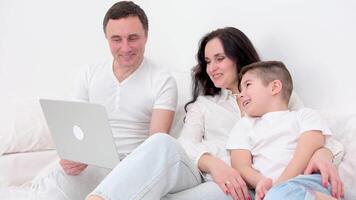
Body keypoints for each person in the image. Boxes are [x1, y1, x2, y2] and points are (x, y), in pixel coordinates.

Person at [86, 27, 343, 200]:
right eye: (208, 61)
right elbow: (185, 144)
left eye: (219, 58)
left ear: (238, 56)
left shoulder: (274, 93)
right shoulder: (204, 105)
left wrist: (322, 155)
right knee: (161, 142)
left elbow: (318, 135)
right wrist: (215, 164)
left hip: (246, 187)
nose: (212, 68)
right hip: (204, 172)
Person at [26, 1, 177, 199]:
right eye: (116, 39)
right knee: (50, 183)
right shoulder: (89, 73)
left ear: (146, 37)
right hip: (93, 162)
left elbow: (156, 147)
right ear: (106, 38)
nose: (125, 47)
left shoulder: (162, 80)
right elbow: (75, 127)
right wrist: (73, 155)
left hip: (134, 167)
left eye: (133, 38)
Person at [227, 61, 342, 200]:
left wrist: (279, 185)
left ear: (275, 87)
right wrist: (260, 182)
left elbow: (307, 149)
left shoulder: (303, 115)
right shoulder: (244, 125)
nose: (241, 94)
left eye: (248, 85)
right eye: (240, 89)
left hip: (309, 182)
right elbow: (240, 165)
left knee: (280, 194)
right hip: (273, 192)